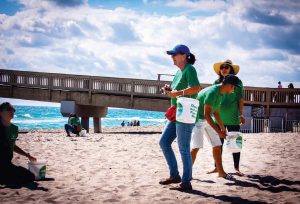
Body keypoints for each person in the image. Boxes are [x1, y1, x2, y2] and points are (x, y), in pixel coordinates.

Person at [159, 44, 201, 191]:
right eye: (171, 55)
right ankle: (175, 175)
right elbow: (177, 91)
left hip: (185, 112)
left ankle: (186, 182)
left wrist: (177, 93)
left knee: (183, 148)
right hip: (176, 112)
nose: (172, 57)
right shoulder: (178, 72)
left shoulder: (190, 69)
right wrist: (169, 91)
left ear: (184, 55)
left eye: (174, 55)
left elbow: (196, 88)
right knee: (164, 142)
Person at [190, 74, 242, 180]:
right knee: (196, 147)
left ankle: (221, 172)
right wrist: (218, 131)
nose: (234, 89)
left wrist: (222, 127)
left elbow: (216, 111)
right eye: (234, 87)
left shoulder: (221, 93)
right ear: (228, 85)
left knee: (217, 145)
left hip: (207, 120)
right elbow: (206, 114)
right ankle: (187, 173)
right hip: (198, 120)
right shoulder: (213, 92)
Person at [206, 59, 245, 176]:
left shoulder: (237, 83)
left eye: (226, 67)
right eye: (221, 67)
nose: (223, 69)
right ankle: (217, 167)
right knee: (218, 143)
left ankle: (236, 168)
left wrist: (241, 114)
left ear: (231, 69)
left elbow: (240, 99)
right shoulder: (216, 82)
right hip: (218, 117)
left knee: (235, 143)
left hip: (233, 116)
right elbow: (212, 100)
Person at [0, 102, 37, 185]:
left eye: (13, 110)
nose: (12, 111)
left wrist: (27, 155)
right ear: (1, 112)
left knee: (30, 176)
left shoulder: (14, 129)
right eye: (9, 109)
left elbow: (12, 146)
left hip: (7, 164)